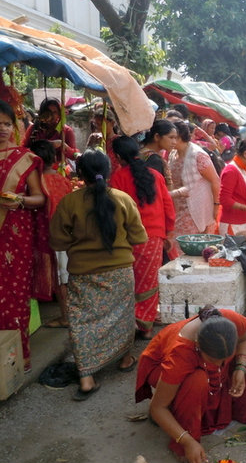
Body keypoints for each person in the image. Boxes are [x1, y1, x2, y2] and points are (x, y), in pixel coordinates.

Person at [50, 149, 147, 400]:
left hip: (83, 273)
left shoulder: (69, 202)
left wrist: (79, 240)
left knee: (82, 322)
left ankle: (86, 379)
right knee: (122, 315)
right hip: (120, 271)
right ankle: (125, 359)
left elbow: (58, 241)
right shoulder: (123, 199)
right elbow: (139, 237)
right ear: (108, 171)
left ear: (80, 174)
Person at [135, 306, 246, 463]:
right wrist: (187, 441)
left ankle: (243, 413)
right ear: (198, 346)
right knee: (197, 381)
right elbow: (158, 407)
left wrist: (240, 367)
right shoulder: (181, 353)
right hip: (161, 369)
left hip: (198, 361)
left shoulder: (230, 320)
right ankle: (184, 431)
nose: (220, 366)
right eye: (215, 360)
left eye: (224, 360)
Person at [0, 100, 49, 373]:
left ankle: (17, 360)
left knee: (14, 296)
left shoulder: (24, 158)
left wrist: (19, 200)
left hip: (15, 238)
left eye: (8, 123)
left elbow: (40, 198)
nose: (4, 129)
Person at [111, 136, 175, 340]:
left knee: (132, 282)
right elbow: (168, 206)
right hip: (155, 237)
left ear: (119, 157)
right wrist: (168, 233)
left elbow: (116, 211)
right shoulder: (155, 175)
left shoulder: (118, 177)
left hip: (130, 238)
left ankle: (133, 322)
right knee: (148, 282)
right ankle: (146, 326)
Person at [31, 140, 73, 329]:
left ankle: (66, 317)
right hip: (67, 234)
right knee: (65, 277)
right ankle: (70, 314)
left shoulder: (37, 183)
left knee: (60, 279)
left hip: (51, 237)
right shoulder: (63, 180)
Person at [168, 120, 220, 257]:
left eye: (173, 137)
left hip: (196, 210)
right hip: (178, 209)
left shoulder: (198, 155)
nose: (171, 140)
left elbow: (215, 180)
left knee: (191, 250)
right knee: (181, 250)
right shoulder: (173, 154)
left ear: (180, 137)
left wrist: (216, 206)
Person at [22, 97, 79, 164]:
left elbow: (74, 156)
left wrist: (63, 145)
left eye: (54, 112)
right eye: (48, 112)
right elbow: (22, 150)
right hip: (36, 170)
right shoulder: (33, 128)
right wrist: (38, 148)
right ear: (42, 113)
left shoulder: (66, 131)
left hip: (58, 172)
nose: (51, 115)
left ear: (59, 114)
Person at [140, 119, 177, 189]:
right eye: (171, 137)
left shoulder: (141, 152)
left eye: (175, 138)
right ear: (157, 137)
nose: (174, 142)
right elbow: (155, 191)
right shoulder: (154, 160)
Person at [87, 105, 121, 173]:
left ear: (112, 123)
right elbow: (87, 158)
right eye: (96, 124)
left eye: (100, 124)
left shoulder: (119, 141)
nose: (98, 128)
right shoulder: (94, 138)